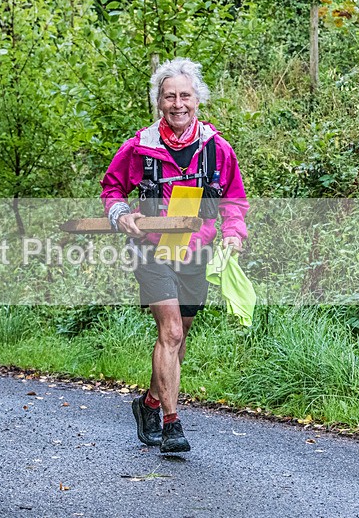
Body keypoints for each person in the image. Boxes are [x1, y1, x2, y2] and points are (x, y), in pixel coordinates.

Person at [100, 58, 248, 453]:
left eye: (185, 95)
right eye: (169, 97)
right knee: (171, 333)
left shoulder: (218, 149)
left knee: (179, 342)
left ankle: (149, 404)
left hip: (195, 250)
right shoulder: (139, 146)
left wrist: (233, 234)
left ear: (198, 99)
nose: (178, 104)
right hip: (152, 249)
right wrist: (121, 215)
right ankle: (171, 424)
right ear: (158, 102)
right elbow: (111, 190)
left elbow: (234, 199)